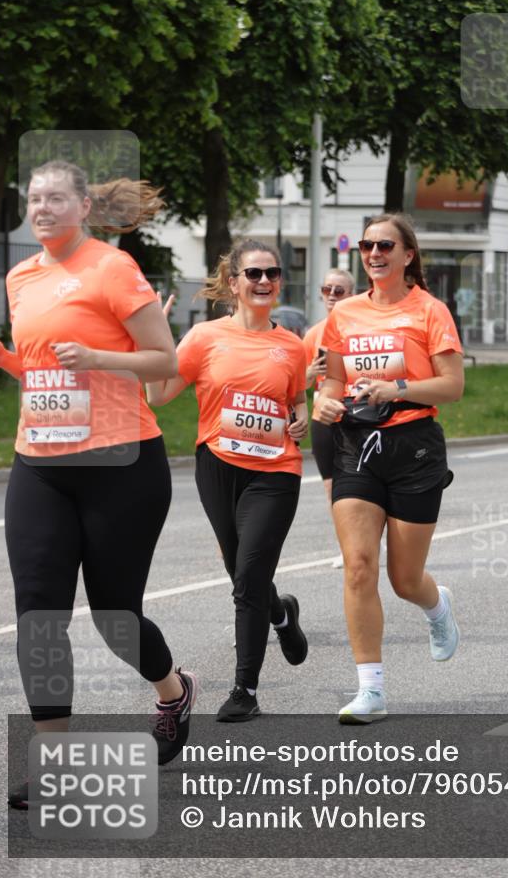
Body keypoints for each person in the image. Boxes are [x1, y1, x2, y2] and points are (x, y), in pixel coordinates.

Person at [0, 160, 196, 809]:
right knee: (38, 617)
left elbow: (165, 360)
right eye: (34, 197)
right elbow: (54, 373)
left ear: (83, 206)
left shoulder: (111, 268)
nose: (41, 206)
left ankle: (172, 689)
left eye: (54, 197)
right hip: (40, 463)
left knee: (114, 615)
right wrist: (13, 364)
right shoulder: (22, 278)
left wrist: (102, 356)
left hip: (121, 464)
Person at [147, 240, 309, 722]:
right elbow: (159, 395)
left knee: (248, 577)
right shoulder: (203, 337)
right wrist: (150, 338)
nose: (264, 282)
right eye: (254, 274)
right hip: (218, 466)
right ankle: (281, 614)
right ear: (234, 282)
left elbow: (297, 401)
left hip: (276, 471)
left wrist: (302, 421)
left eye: (272, 274)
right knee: (242, 571)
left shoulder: (292, 345)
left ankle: (246, 690)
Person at [315, 213, 464, 723]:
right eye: (366, 245)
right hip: (356, 443)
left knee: (404, 578)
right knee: (358, 565)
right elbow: (331, 383)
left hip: (414, 445)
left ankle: (436, 606)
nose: (374, 253)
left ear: (407, 255)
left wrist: (397, 389)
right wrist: (326, 404)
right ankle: (371, 690)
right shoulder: (346, 314)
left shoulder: (430, 310)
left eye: (384, 245)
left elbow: (451, 385)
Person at [303, 269, 355, 566]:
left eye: (339, 290)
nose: (332, 296)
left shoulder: (361, 328)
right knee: (331, 486)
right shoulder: (314, 334)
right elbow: (297, 383)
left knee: (362, 485)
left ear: (351, 294)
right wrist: (309, 374)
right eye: (327, 290)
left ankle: (368, 539)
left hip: (356, 414)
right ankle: (346, 547)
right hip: (323, 416)